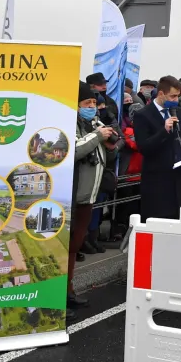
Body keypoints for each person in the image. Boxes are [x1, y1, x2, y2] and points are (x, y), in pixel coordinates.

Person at [69, 82, 118, 306]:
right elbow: (74, 150)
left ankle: (68, 291)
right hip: (73, 196)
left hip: (88, 196)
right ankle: (62, 294)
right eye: (86, 103)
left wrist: (111, 144)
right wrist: (97, 136)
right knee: (67, 248)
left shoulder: (92, 124)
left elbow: (104, 157)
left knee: (75, 246)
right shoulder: (71, 125)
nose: (92, 108)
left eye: (93, 104)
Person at [134, 75, 181, 221]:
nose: (176, 100)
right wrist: (163, 131)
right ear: (161, 94)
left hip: (177, 178)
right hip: (157, 180)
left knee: (178, 221)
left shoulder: (179, 112)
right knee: (158, 221)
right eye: (173, 96)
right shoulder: (143, 115)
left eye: (178, 96)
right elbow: (144, 147)